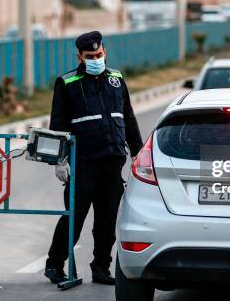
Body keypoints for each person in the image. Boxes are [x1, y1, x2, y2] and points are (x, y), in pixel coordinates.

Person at [44, 31, 144, 285]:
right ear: (79, 56)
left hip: (112, 161)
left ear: (105, 52)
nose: (96, 59)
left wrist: (138, 153)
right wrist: (60, 160)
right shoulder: (67, 83)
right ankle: (54, 264)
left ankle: (101, 267)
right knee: (73, 218)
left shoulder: (116, 79)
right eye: (90, 56)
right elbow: (58, 124)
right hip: (83, 163)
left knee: (107, 221)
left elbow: (128, 117)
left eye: (99, 55)